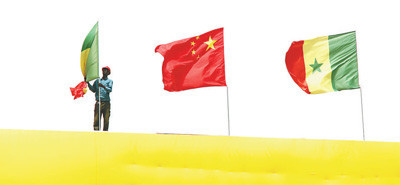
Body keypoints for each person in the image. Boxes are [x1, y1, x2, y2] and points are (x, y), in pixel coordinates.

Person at [87, 66, 113, 131]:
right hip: (98, 102)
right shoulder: (97, 81)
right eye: (103, 70)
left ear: (108, 73)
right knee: (96, 119)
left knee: (106, 119)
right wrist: (88, 83)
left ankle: (105, 132)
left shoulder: (110, 81)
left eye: (106, 70)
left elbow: (109, 90)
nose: (104, 71)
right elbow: (93, 90)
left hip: (106, 103)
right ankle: (96, 132)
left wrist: (103, 86)